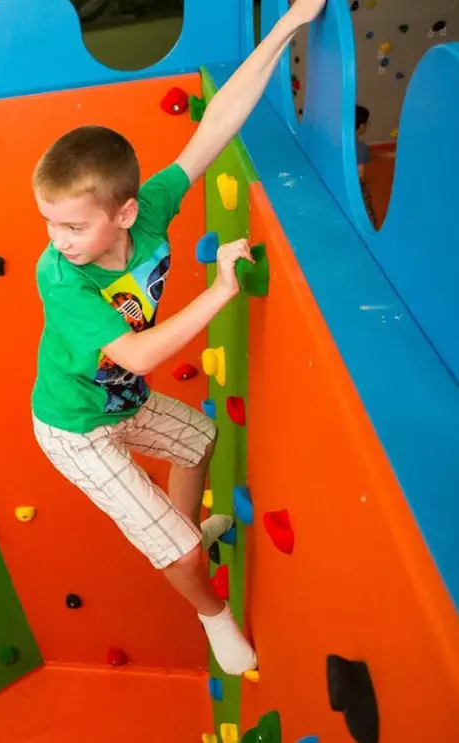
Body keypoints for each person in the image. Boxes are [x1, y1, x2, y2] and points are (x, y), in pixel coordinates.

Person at [29, 0, 328, 676]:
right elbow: (134, 353)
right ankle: (208, 609)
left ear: (125, 211)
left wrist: (285, 26)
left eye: (73, 227)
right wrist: (220, 290)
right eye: (49, 222)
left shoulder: (153, 207)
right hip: (74, 427)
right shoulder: (62, 279)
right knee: (185, 556)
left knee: (198, 438)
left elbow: (216, 123)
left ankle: (182, 538)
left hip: (121, 402)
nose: (58, 240)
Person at [355, 104, 376, 225]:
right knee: (367, 217)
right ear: (362, 125)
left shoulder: (335, 142)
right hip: (356, 191)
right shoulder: (361, 148)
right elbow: (360, 175)